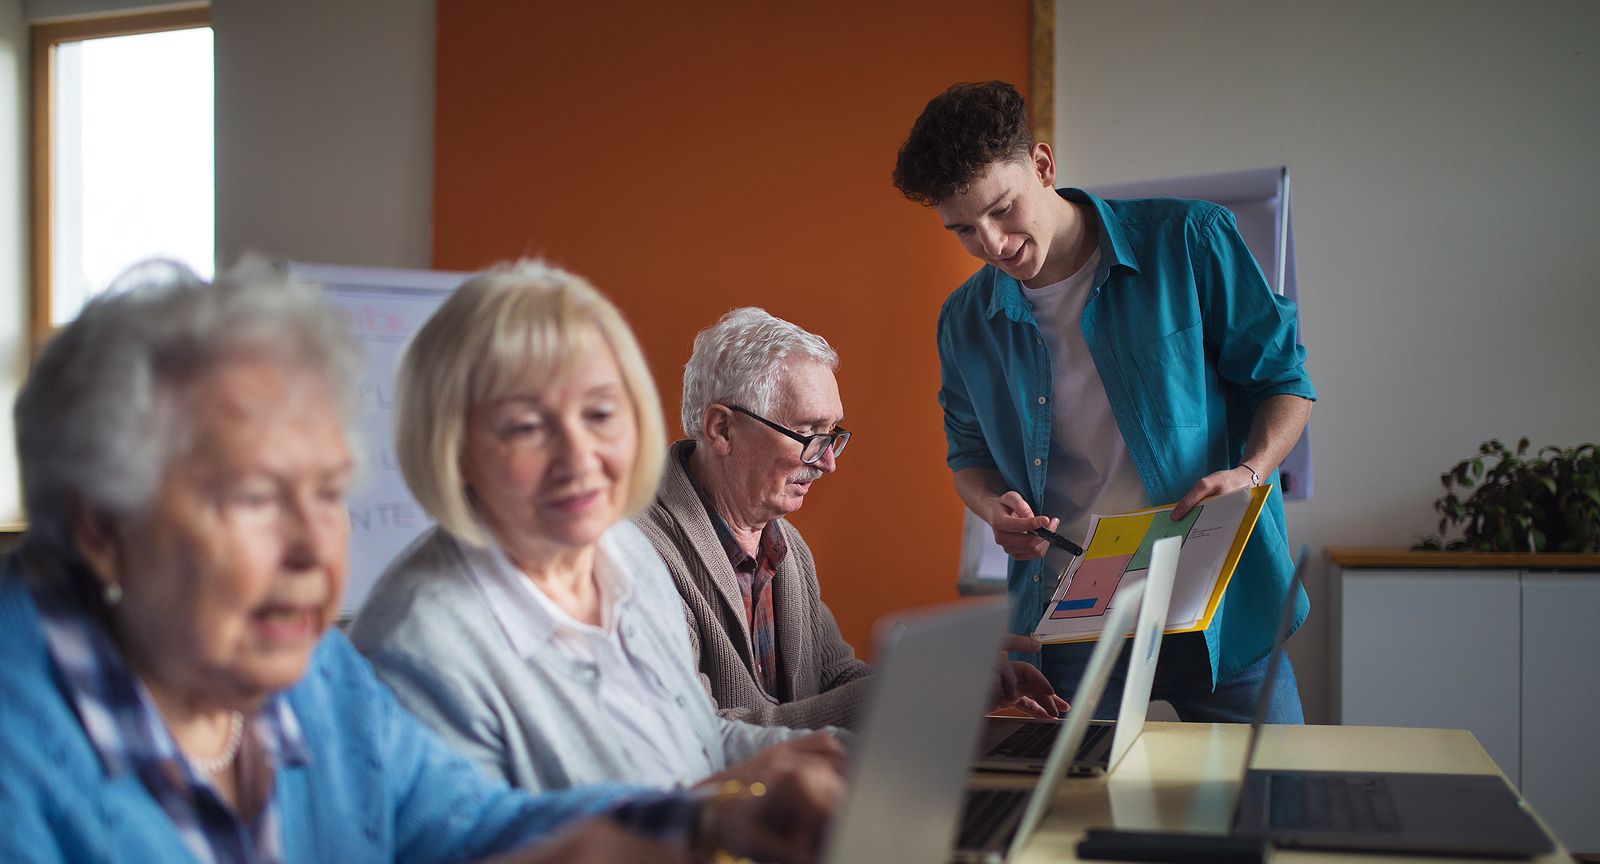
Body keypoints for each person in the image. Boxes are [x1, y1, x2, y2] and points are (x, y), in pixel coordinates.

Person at [0, 261, 833, 864]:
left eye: (327, 494)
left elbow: (470, 825)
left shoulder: (316, 680)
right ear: (103, 527)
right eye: (254, 497)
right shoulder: (22, 738)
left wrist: (714, 820)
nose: (312, 550)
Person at [892, 81, 1316, 724]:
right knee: (1077, 810)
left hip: (1217, 596)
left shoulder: (1190, 239)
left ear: (1042, 165)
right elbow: (969, 457)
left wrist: (1249, 472)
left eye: (1003, 210)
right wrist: (991, 509)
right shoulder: (964, 321)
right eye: (963, 231)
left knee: (1268, 799)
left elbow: (1284, 382)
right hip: (1075, 606)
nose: (993, 245)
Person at [349, 263, 847, 794]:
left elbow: (697, 742)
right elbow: (488, 860)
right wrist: (704, 819)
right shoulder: (420, 640)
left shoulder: (623, 555)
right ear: (454, 449)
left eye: (601, 413)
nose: (579, 457)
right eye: (526, 427)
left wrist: (840, 758)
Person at [637, 306, 1067, 730]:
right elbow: (692, 739)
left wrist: (948, 685)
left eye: (832, 436)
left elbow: (837, 679)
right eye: (808, 435)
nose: (828, 463)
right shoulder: (635, 558)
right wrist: (907, 690)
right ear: (722, 430)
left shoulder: (785, 546)